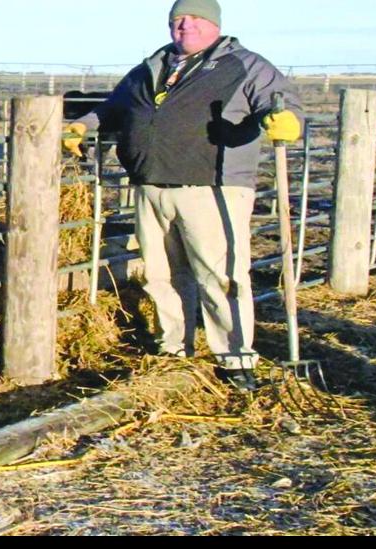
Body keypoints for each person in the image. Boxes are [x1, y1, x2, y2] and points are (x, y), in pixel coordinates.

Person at [64, 0, 304, 391]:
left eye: (194, 17)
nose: (184, 24)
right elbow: (114, 108)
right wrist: (83, 125)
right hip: (151, 186)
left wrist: (285, 121)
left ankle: (235, 357)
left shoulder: (244, 64)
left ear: (214, 23)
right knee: (161, 274)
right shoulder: (152, 67)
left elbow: (279, 101)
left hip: (212, 186)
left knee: (220, 275)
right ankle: (173, 347)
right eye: (177, 18)